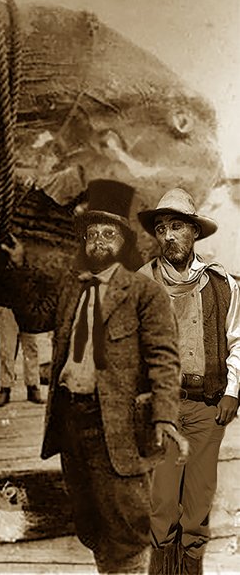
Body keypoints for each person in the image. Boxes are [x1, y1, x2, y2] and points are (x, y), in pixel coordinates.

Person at [2, 179, 187, 574]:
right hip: (72, 421)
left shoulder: (145, 293)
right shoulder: (73, 286)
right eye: (92, 235)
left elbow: (165, 361)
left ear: (123, 241)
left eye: (108, 234)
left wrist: (165, 418)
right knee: (91, 523)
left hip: (117, 429)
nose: (99, 242)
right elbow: (34, 318)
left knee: (127, 523)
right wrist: (20, 268)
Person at [137, 188, 240, 574]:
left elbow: (238, 340)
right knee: (163, 503)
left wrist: (232, 391)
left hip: (206, 407)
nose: (168, 236)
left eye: (177, 227)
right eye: (161, 228)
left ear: (194, 232)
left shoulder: (221, 284)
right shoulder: (142, 283)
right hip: (161, 410)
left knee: (197, 506)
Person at [0, 307, 44, 407]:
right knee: (6, 347)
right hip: (8, 305)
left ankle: (33, 386)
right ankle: (5, 387)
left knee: (31, 346)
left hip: (28, 306)